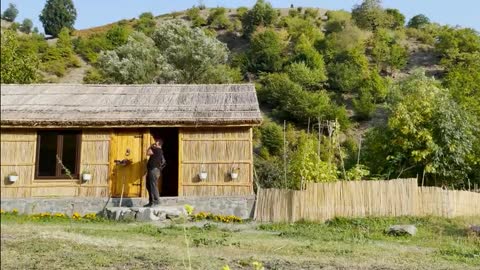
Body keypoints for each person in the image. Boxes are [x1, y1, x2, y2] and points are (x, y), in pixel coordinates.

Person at [145, 137, 166, 207]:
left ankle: (156, 201)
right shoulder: (158, 150)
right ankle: (151, 201)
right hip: (152, 170)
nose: (155, 142)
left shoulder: (157, 149)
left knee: (153, 185)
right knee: (148, 185)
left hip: (154, 170)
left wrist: (151, 146)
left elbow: (148, 153)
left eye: (156, 141)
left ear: (159, 143)